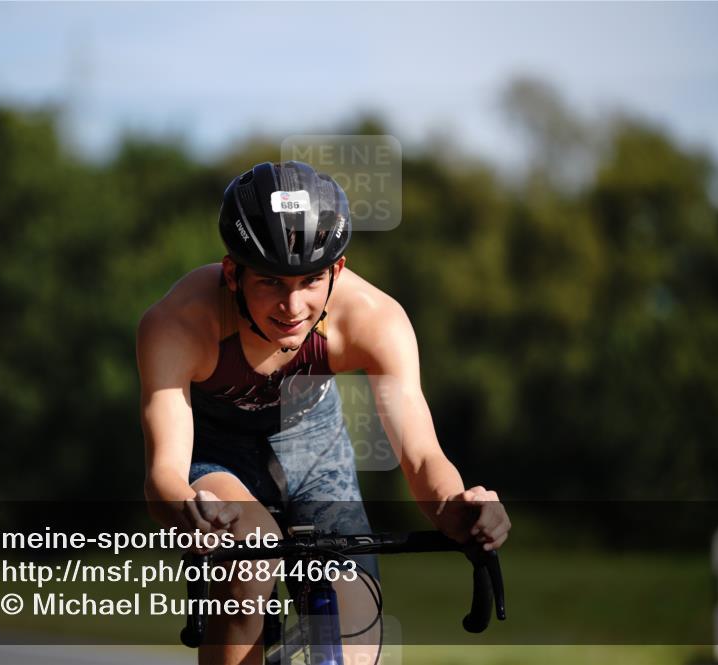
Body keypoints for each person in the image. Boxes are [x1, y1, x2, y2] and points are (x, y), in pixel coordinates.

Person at [137, 160, 511, 665]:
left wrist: (457, 507)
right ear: (233, 273)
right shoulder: (179, 324)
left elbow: (421, 458)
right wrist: (189, 509)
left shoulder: (374, 319)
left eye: (310, 280)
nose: (292, 305)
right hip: (216, 454)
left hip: (314, 449)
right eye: (270, 282)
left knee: (355, 641)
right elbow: (164, 475)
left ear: (336, 270)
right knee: (250, 558)